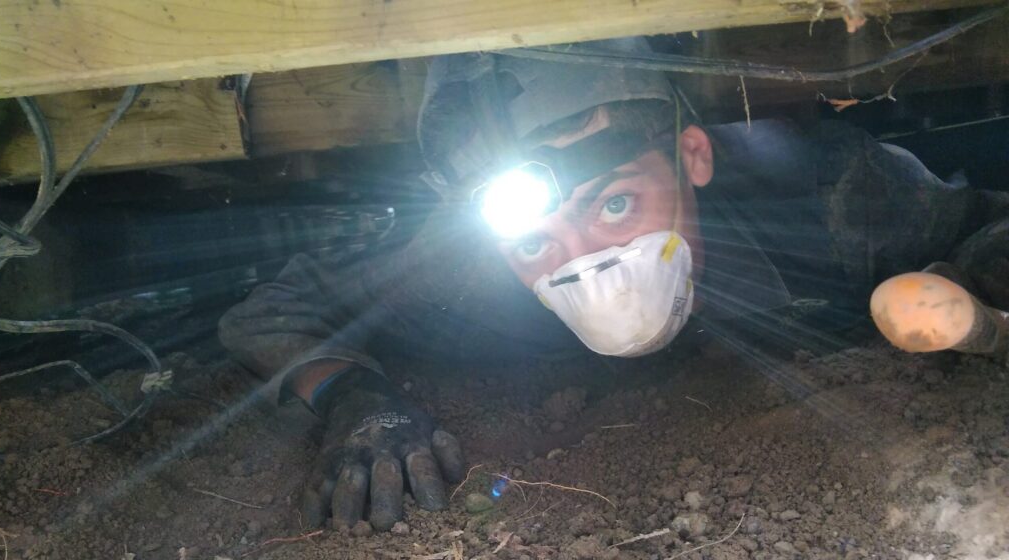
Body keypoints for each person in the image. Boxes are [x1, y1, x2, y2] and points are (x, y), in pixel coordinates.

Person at [218, 38, 1009, 532]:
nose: (583, 256)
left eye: (616, 203)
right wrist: (354, 398)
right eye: (533, 235)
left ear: (693, 155)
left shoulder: (823, 194)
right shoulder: (461, 268)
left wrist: (957, 287)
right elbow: (274, 310)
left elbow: (989, 221)